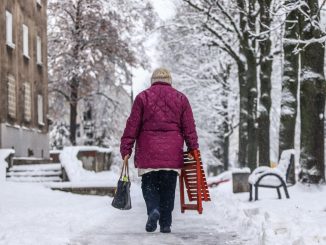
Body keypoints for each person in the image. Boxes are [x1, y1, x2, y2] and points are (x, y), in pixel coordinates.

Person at [120, 67, 199, 233]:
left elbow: (132, 126)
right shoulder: (181, 98)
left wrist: (126, 148)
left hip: (148, 152)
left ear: (152, 81)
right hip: (172, 153)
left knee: (149, 185)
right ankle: (165, 224)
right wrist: (193, 148)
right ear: (170, 81)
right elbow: (189, 127)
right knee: (168, 189)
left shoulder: (142, 97)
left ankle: (153, 210)